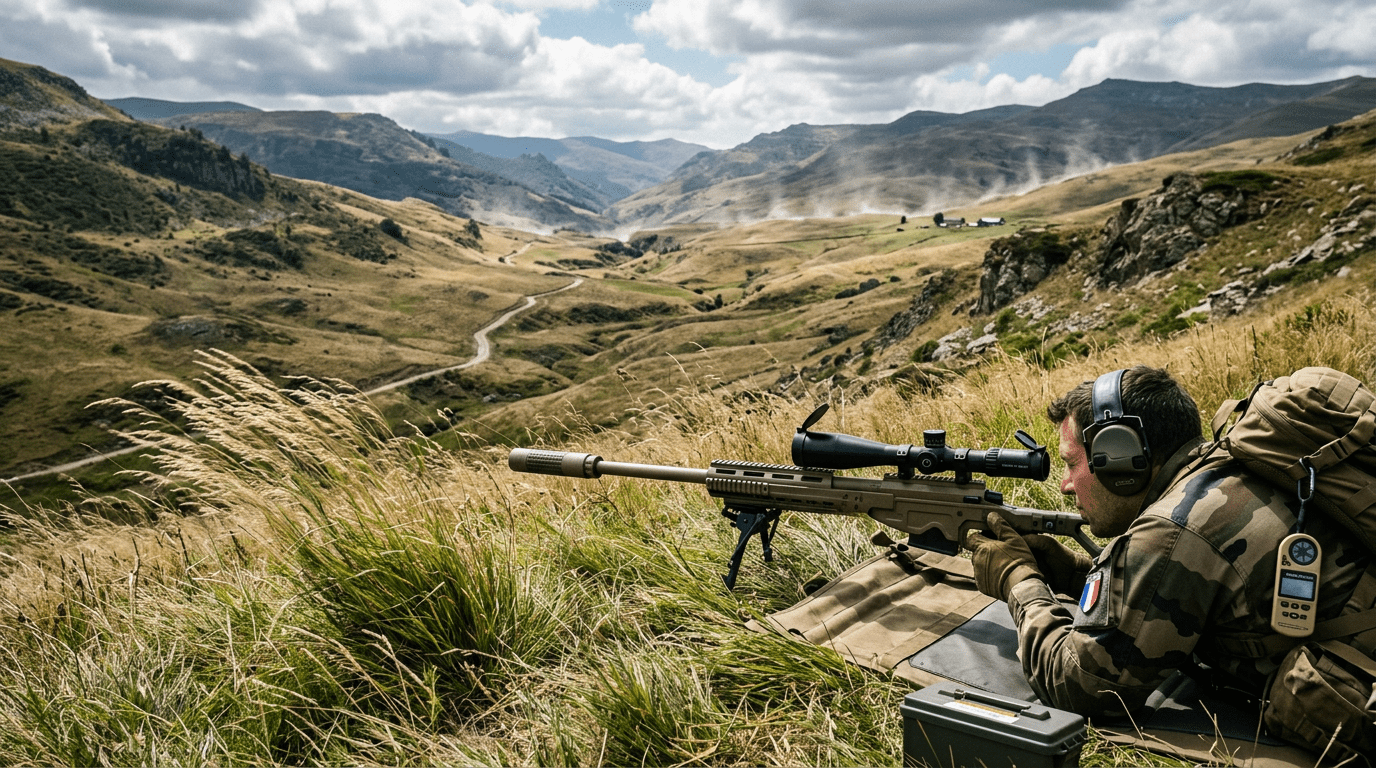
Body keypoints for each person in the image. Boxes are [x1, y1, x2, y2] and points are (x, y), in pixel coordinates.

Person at [965, 365, 1370, 716]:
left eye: (1073, 464)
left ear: (1123, 458)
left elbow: (1084, 686)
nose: (1065, 486)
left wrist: (1018, 581)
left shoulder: (1176, 528)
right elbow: (1180, 595)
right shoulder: (1219, 467)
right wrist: (1074, 574)